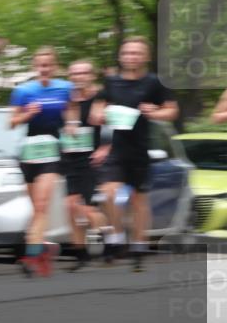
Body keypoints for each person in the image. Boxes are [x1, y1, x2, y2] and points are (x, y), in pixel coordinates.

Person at [90, 37, 178, 272]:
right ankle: (118, 235)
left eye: (137, 53)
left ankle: (139, 246)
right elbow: (97, 107)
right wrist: (100, 114)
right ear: (121, 57)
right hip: (115, 149)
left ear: (146, 57)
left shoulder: (154, 82)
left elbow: (172, 111)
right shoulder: (111, 82)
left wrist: (155, 112)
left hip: (139, 150)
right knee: (108, 194)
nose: (131, 57)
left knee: (139, 201)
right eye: (127, 53)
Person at [9, 46, 73, 277]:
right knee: (37, 208)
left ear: (54, 67)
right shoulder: (23, 91)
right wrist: (27, 114)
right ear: (34, 67)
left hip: (52, 151)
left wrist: (70, 124)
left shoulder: (65, 88)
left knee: (43, 204)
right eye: (40, 66)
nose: (44, 69)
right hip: (29, 152)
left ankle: (31, 254)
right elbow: (11, 122)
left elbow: (73, 112)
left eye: (48, 65)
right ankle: (43, 248)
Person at [61, 60, 109, 271]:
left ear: (92, 75)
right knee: (70, 207)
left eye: (83, 73)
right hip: (71, 158)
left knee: (86, 207)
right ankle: (81, 255)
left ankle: (107, 232)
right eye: (74, 73)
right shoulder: (67, 99)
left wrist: (105, 147)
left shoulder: (100, 98)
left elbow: (113, 126)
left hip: (92, 159)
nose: (78, 76)